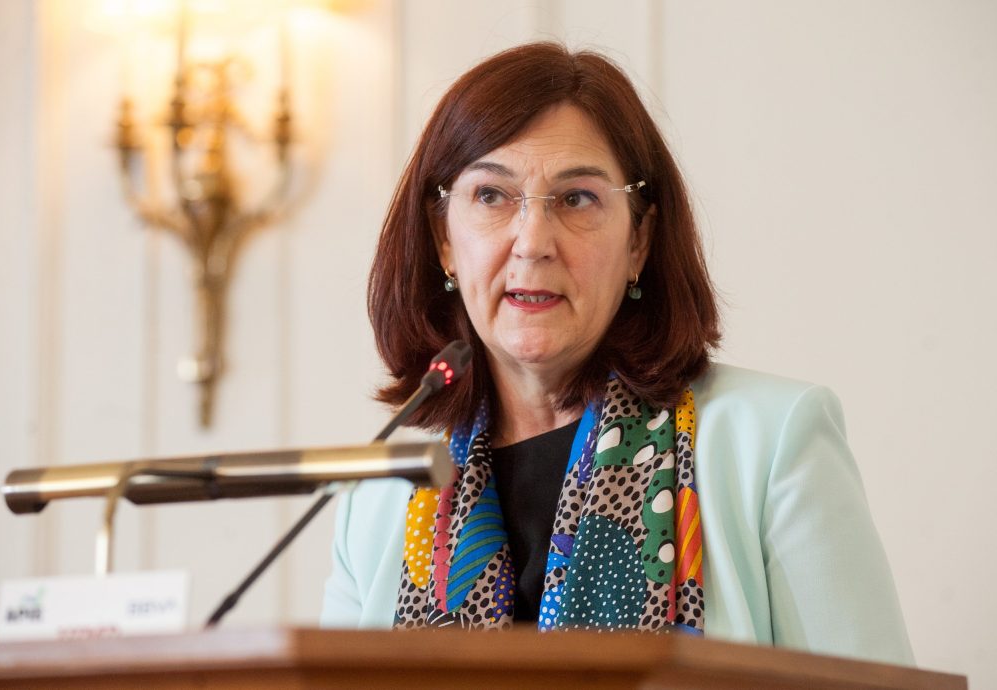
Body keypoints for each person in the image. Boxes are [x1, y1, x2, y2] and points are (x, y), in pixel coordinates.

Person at [322, 42, 913, 665]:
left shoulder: (771, 444)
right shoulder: (382, 489)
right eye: (492, 197)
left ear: (640, 240)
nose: (533, 242)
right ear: (444, 239)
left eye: (577, 199)